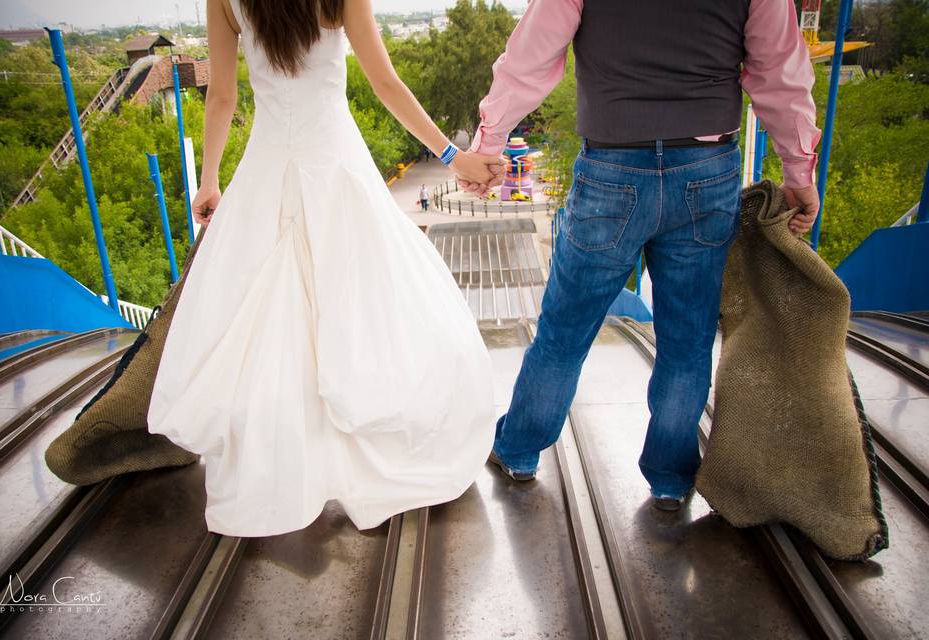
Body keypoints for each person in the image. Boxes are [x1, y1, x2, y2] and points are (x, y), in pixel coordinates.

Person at [147, 0, 504, 536]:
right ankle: (358, 454)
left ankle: (288, 462)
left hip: (267, 166)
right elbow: (385, 83)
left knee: (267, 321)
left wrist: (210, 179)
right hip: (335, 161)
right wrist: (453, 157)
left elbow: (222, 96)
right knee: (366, 303)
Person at [459, 0, 822, 511]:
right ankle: (671, 479)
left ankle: (519, 450)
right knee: (688, 340)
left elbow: (530, 58)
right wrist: (798, 173)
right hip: (707, 170)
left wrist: (490, 142)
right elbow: (780, 73)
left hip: (611, 166)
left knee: (564, 331)